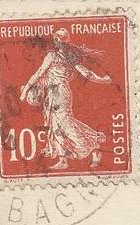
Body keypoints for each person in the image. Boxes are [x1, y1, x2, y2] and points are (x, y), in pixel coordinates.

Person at [19, 29, 112, 170]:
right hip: (58, 92)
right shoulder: (71, 58)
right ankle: (63, 159)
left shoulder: (53, 55)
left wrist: (25, 90)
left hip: (58, 92)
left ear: (56, 41)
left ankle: (93, 146)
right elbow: (87, 74)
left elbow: (39, 73)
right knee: (56, 124)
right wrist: (102, 80)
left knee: (64, 123)